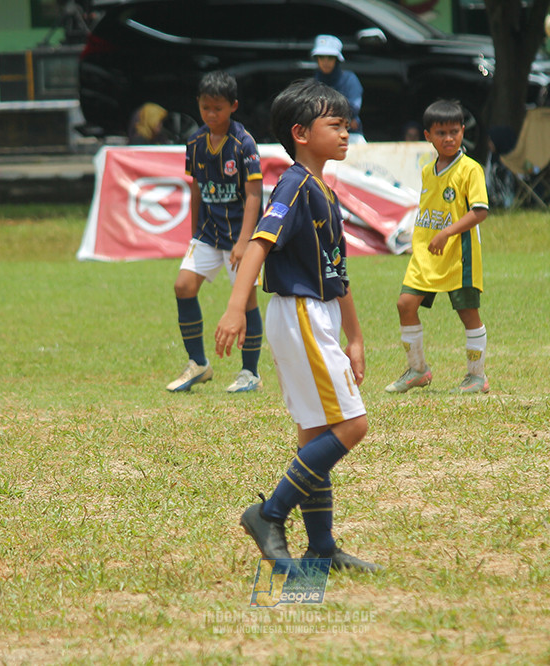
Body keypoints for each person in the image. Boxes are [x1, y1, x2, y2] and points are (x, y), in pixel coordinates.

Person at [215, 79, 380, 572]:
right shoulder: (294, 184)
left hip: (320, 314)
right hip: (300, 312)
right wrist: (232, 308)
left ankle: (322, 548)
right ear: (301, 134)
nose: (346, 132)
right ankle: (269, 514)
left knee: (316, 432)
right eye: (335, 125)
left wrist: (354, 336)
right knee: (353, 425)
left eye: (347, 124)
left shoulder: (324, 189)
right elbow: (259, 246)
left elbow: (338, 273)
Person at [166, 71, 264, 393]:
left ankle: (250, 372)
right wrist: (194, 233)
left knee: (246, 301)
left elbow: (254, 194)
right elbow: (196, 187)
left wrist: (245, 241)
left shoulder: (243, 143)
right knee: (183, 286)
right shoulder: (194, 142)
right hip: (208, 234)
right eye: (205, 108)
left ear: (233, 106)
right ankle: (199, 364)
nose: (211, 115)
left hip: (239, 235)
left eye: (218, 108)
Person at [385, 99, 490, 395]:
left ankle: (477, 376)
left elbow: (480, 211)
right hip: (426, 254)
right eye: (441, 132)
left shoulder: (470, 170)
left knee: (468, 313)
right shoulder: (428, 171)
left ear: (463, 131)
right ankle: (418, 369)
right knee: (405, 304)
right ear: (428, 135)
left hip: (459, 254)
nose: (448, 138)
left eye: (454, 131)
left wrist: (446, 233)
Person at [311, 34, 365, 143]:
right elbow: (311, 112)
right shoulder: (313, 83)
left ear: (337, 59)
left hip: (351, 134)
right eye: (321, 57)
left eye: (330, 57)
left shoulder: (350, 79)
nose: (325, 62)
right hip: (322, 137)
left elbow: (354, 108)